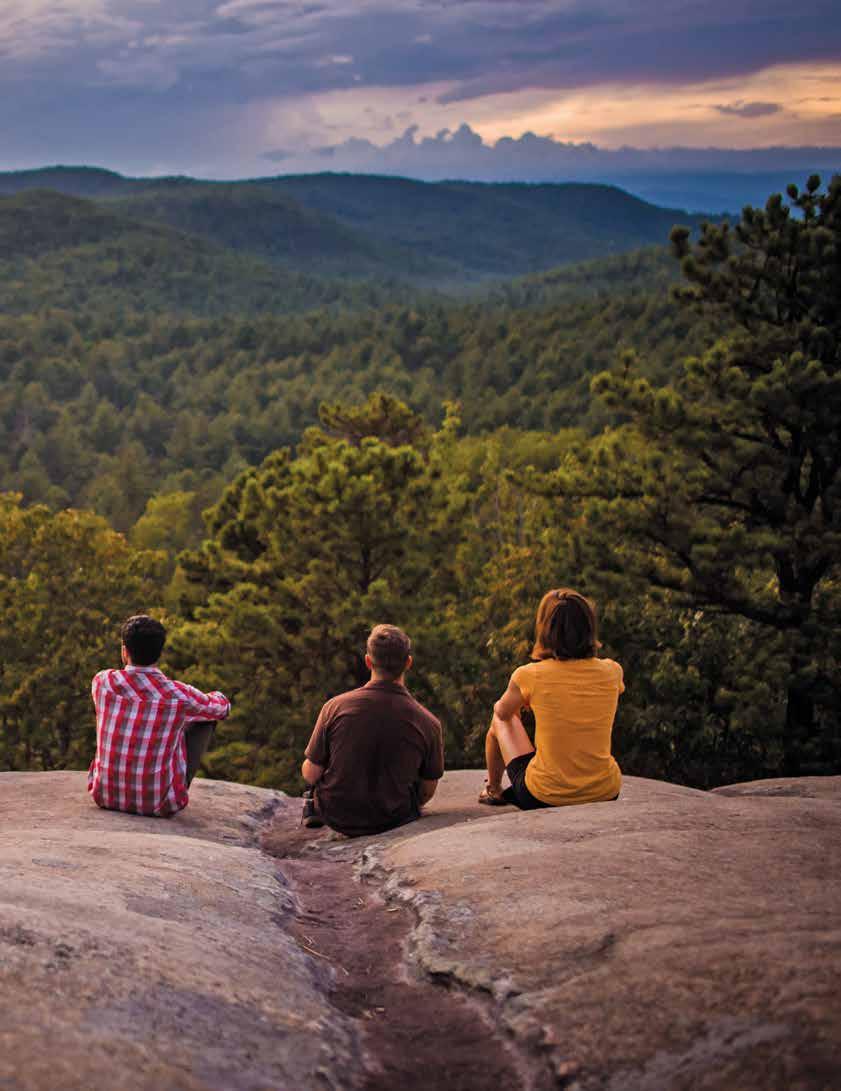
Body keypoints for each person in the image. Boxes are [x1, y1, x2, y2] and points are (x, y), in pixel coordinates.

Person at [479, 588, 623, 809]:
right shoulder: (613, 671)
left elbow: (502, 712)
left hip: (544, 796)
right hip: (605, 791)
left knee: (499, 717)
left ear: (545, 630)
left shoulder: (529, 675)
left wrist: (525, 702)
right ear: (589, 628)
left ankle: (494, 789)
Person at [301, 624, 444, 837]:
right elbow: (426, 792)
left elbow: (311, 774)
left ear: (368, 661)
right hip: (394, 818)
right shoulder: (429, 722)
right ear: (408, 663)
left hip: (337, 815)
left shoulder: (335, 707)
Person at [87, 614, 231, 817]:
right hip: (158, 804)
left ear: (124, 651)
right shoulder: (178, 695)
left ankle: (115, 778)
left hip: (104, 796)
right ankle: (168, 785)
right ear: (159, 653)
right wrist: (213, 696)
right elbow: (222, 709)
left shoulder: (102, 682)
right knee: (203, 720)